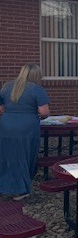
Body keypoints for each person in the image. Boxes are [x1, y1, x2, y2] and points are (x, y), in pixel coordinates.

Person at [0, 64, 51, 198]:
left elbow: (1, 109)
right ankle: (20, 190)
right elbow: (44, 112)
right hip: (27, 127)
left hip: (6, 125)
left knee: (6, 156)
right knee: (25, 156)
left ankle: (4, 187)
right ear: (36, 76)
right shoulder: (37, 89)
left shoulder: (6, 87)